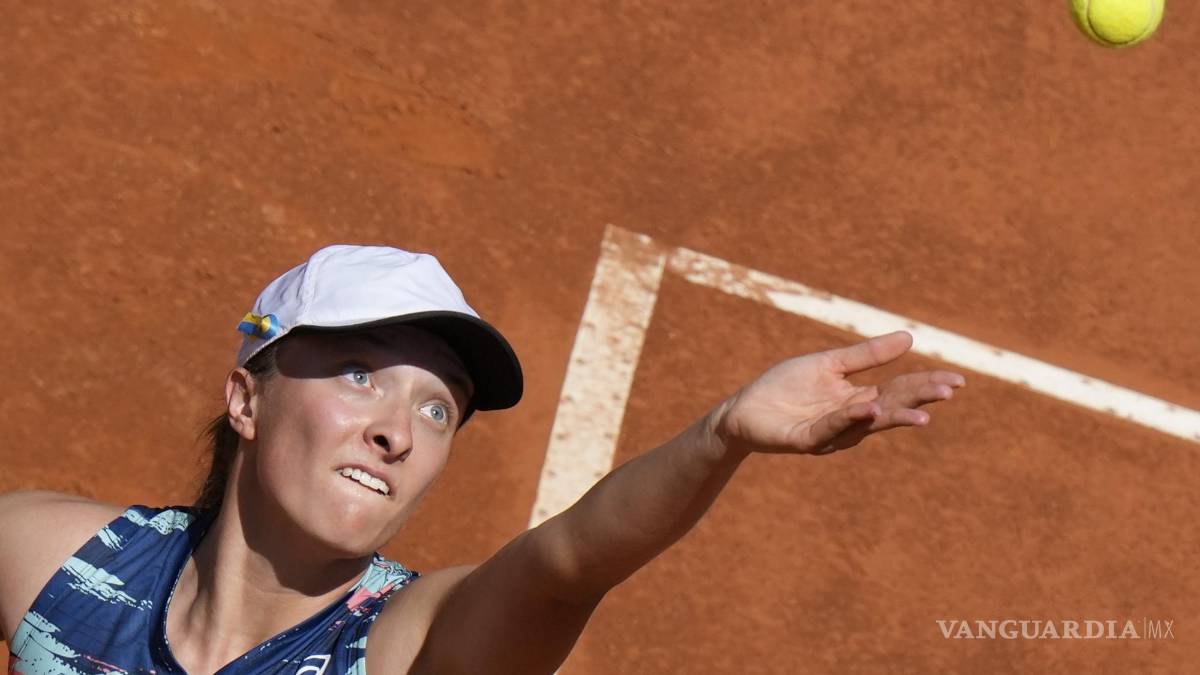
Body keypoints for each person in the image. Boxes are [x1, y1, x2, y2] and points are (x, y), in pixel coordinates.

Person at [0, 244, 965, 674]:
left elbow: (563, 566)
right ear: (247, 398)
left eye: (437, 408)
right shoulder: (45, 566)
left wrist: (718, 436)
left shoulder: (402, 649)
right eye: (359, 374)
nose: (399, 429)